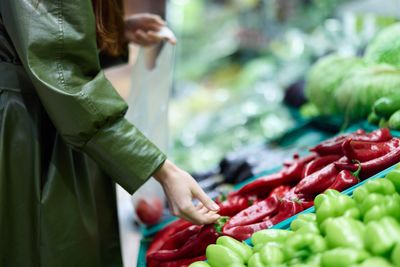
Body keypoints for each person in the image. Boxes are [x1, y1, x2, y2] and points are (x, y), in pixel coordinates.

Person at [0, 0, 220, 266]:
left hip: (51, 113)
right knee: (49, 244)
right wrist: (162, 170)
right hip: (28, 126)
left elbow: (43, 35)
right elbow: (65, 78)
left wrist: (107, 32)